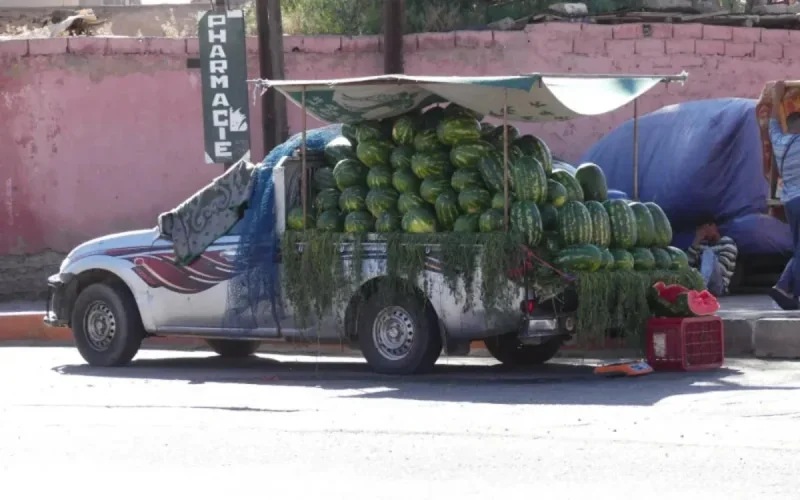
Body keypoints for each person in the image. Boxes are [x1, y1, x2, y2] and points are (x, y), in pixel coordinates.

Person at [765, 81, 800, 310]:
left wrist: (777, 98)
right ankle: (784, 285)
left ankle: (792, 293)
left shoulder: (781, 143)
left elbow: (772, 125)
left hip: (790, 202)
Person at [686, 221, 738, 297]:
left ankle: (702, 287)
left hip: (718, 286)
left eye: (705, 229)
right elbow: (688, 263)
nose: (704, 233)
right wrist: (696, 241)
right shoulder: (702, 244)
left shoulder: (727, 242)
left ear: (713, 226)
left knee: (707, 254)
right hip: (701, 281)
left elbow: (722, 270)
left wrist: (706, 257)